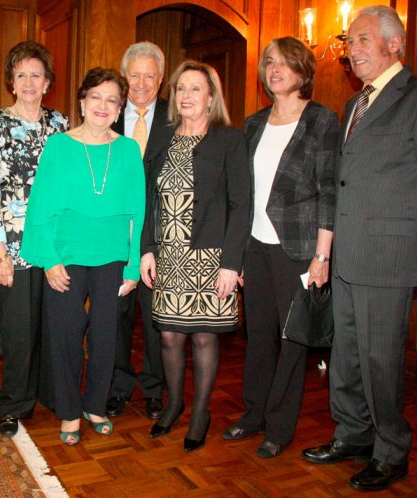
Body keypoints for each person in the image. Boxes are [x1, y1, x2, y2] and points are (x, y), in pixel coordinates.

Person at [301, 6, 417, 491]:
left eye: (363, 39)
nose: (353, 49)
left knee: (380, 360)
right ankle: (351, 434)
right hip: (348, 252)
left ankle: (391, 449)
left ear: (395, 43)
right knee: (346, 353)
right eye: (349, 41)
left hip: (388, 253)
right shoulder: (354, 104)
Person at [221, 37, 338, 458]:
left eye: (285, 63)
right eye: (269, 62)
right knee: (258, 336)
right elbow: (242, 192)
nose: (274, 69)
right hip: (255, 244)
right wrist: (238, 252)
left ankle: (280, 426)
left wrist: (322, 256)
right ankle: (254, 413)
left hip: (299, 248)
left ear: (303, 71)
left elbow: (330, 192)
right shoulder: (253, 124)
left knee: (292, 339)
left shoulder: (322, 121)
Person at [20, 67, 145, 445]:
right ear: (82, 102)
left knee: (107, 337)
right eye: (96, 97)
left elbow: (137, 213)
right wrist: (49, 259)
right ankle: (70, 410)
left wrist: (133, 265)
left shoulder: (128, 150)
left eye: (112, 100)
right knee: (65, 334)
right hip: (66, 255)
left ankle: (95, 405)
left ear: (120, 108)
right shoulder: (59, 146)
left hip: (112, 257)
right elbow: (40, 207)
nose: (103, 106)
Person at [141, 60, 250, 452]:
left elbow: (241, 204)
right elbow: (149, 199)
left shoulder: (229, 139)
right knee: (169, 334)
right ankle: (174, 405)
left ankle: (201, 413)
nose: (186, 95)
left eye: (196, 89)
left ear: (211, 97)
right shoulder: (163, 138)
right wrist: (147, 249)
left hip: (210, 257)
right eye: (181, 88)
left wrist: (232, 263)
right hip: (168, 255)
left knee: (204, 336)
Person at [0, 41, 68, 437]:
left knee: (54, 326)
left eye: (36, 75)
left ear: (47, 82)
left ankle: (52, 396)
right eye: (21, 75)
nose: (29, 83)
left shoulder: (61, 124)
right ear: (11, 82)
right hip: (13, 247)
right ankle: (13, 405)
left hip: (58, 247)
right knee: (18, 331)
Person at [107, 41, 168, 420]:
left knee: (156, 318)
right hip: (114, 236)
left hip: (162, 237)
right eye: (135, 75)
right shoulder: (107, 116)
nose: (142, 84)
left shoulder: (177, 118)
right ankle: (117, 386)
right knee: (115, 316)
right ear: (124, 77)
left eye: (150, 76)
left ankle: (154, 388)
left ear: (161, 80)